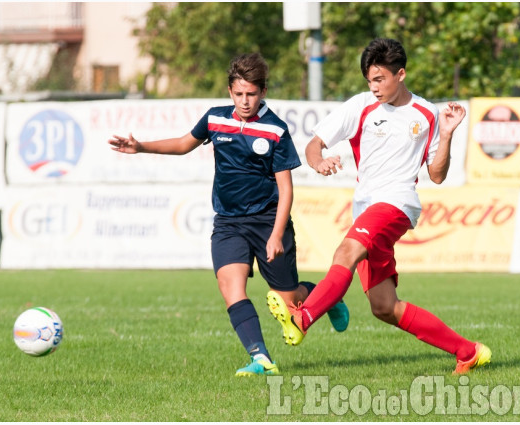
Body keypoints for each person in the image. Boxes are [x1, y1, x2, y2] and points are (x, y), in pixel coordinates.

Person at [109, 53, 349, 377]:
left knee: (289, 298)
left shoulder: (275, 130)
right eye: (239, 94)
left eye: (251, 94)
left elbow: (287, 189)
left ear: (262, 91)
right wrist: (140, 147)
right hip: (228, 222)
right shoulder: (214, 119)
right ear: (230, 91)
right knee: (229, 287)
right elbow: (183, 144)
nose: (245, 101)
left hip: (267, 221)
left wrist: (277, 234)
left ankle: (324, 296)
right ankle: (261, 358)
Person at [266, 38, 491, 375]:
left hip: (397, 205)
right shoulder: (360, 106)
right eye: (369, 80)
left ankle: (303, 317)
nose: (374, 88)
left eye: (380, 79)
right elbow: (314, 144)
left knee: (345, 251)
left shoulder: (427, 113)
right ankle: (468, 351)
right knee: (384, 307)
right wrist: (319, 162)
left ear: (401, 74)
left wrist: (445, 136)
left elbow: (438, 175)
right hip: (366, 209)